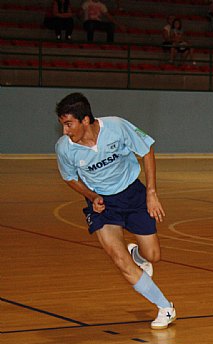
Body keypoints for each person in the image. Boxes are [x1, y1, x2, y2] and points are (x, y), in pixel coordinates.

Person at [54, 93, 176, 329]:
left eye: (69, 124)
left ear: (85, 120)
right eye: (63, 125)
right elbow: (69, 177)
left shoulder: (117, 127)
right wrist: (92, 196)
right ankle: (165, 307)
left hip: (132, 194)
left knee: (153, 256)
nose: (65, 131)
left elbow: (147, 150)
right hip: (103, 205)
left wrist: (151, 193)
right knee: (118, 259)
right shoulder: (65, 149)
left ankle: (139, 255)